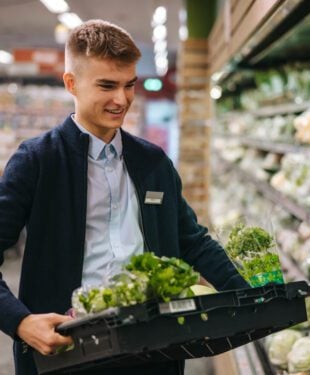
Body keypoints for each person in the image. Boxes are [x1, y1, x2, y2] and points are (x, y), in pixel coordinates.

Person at [0, 19, 248, 375]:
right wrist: (20, 322)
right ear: (71, 83)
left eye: (129, 85)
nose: (122, 99)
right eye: (107, 85)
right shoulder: (38, 160)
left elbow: (192, 241)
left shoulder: (153, 162)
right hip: (67, 351)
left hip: (154, 348)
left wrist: (250, 295)